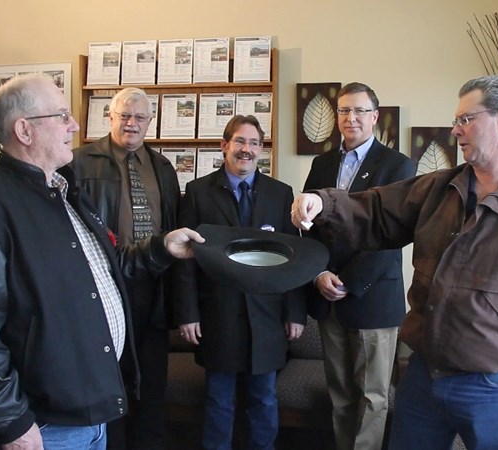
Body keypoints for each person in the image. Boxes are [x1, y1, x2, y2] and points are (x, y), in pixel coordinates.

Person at [292, 75, 498, 450]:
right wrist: (325, 203)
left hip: (494, 389)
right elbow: (376, 209)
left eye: (466, 119)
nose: (455, 130)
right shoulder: (440, 188)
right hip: (422, 376)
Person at [0, 74, 204, 450]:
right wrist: (10, 421)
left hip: (92, 408)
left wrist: (161, 247)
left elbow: (104, 269)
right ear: (25, 130)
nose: (74, 125)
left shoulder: (64, 190)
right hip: (45, 423)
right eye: (62, 116)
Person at [174, 115, 306, 450]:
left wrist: (295, 313)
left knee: (263, 400)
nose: (246, 149)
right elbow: (185, 260)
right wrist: (188, 313)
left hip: (267, 318)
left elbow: (294, 260)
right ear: (224, 146)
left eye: (254, 143)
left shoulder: (281, 194)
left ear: (262, 150)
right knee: (219, 401)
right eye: (240, 142)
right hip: (218, 315)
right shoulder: (198, 192)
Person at [301, 82, 415, 450]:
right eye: (344, 111)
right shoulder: (322, 164)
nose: (351, 118)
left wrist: (347, 280)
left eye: (360, 111)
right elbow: (308, 225)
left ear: (375, 117)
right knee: (341, 394)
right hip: (328, 295)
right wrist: (319, 274)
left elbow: (393, 233)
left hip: (372, 297)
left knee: (372, 397)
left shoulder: (399, 165)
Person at [73, 87, 178, 450]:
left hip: (154, 285)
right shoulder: (80, 163)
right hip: (107, 286)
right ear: (110, 117)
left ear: (150, 122)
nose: (131, 124)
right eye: (124, 116)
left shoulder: (162, 167)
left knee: (151, 382)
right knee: (112, 380)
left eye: (140, 117)